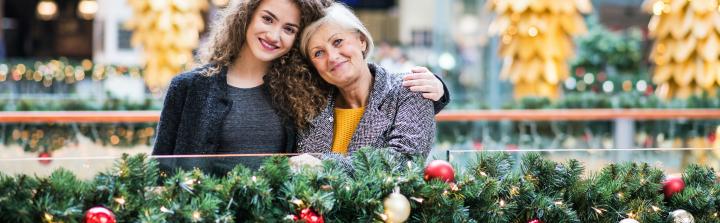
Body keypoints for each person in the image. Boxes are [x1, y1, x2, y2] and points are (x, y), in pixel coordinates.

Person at [152, 0, 449, 176]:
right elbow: (160, 166)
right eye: (267, 19)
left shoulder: (299, 90)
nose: (273, 34)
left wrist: (438, 91)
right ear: (246, 18)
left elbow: (395, 125)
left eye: (289, 29)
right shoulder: (189, 87)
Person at [294, 2, 435, 167]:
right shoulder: (310, 107)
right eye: (318, 53)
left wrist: (324, 165)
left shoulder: (410, 89)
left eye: (338, 41)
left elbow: (403, 161)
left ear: (362, 41)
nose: (332, 57)